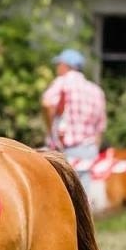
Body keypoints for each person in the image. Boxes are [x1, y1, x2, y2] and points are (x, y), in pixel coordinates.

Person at [40, 48, 107, 188]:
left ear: (65, 66)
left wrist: (50, 130)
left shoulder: (62, 82)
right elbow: (100, 128)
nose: (57, 68)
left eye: (58, 65)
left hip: (66, 150)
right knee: (84, 198)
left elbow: (46, 103)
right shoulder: (96, 90)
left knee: (63, 196)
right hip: (89, 150)